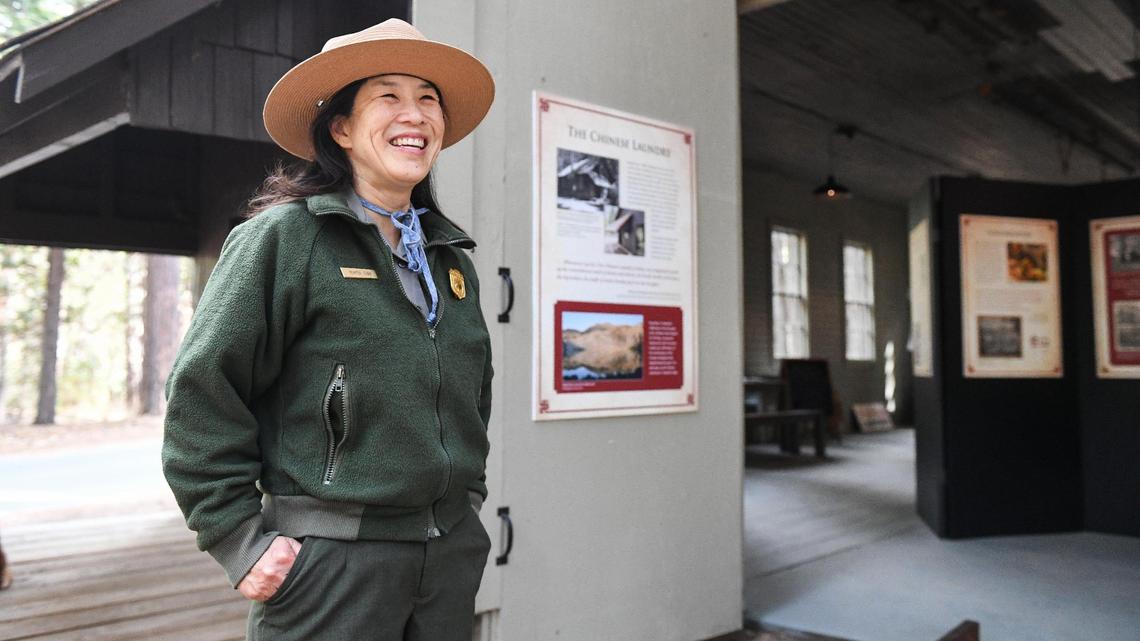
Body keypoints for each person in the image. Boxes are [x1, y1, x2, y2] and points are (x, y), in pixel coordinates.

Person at [162, 18, 495, 641]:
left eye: (428, 98)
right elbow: (203, 391)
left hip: (447, 556)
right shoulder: (283, 239)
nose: (415, 114)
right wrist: (238, 538)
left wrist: (466, 502)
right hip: (331, 562)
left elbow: (475, 393)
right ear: (340, 128)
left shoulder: (452, 262)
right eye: (388, 96)